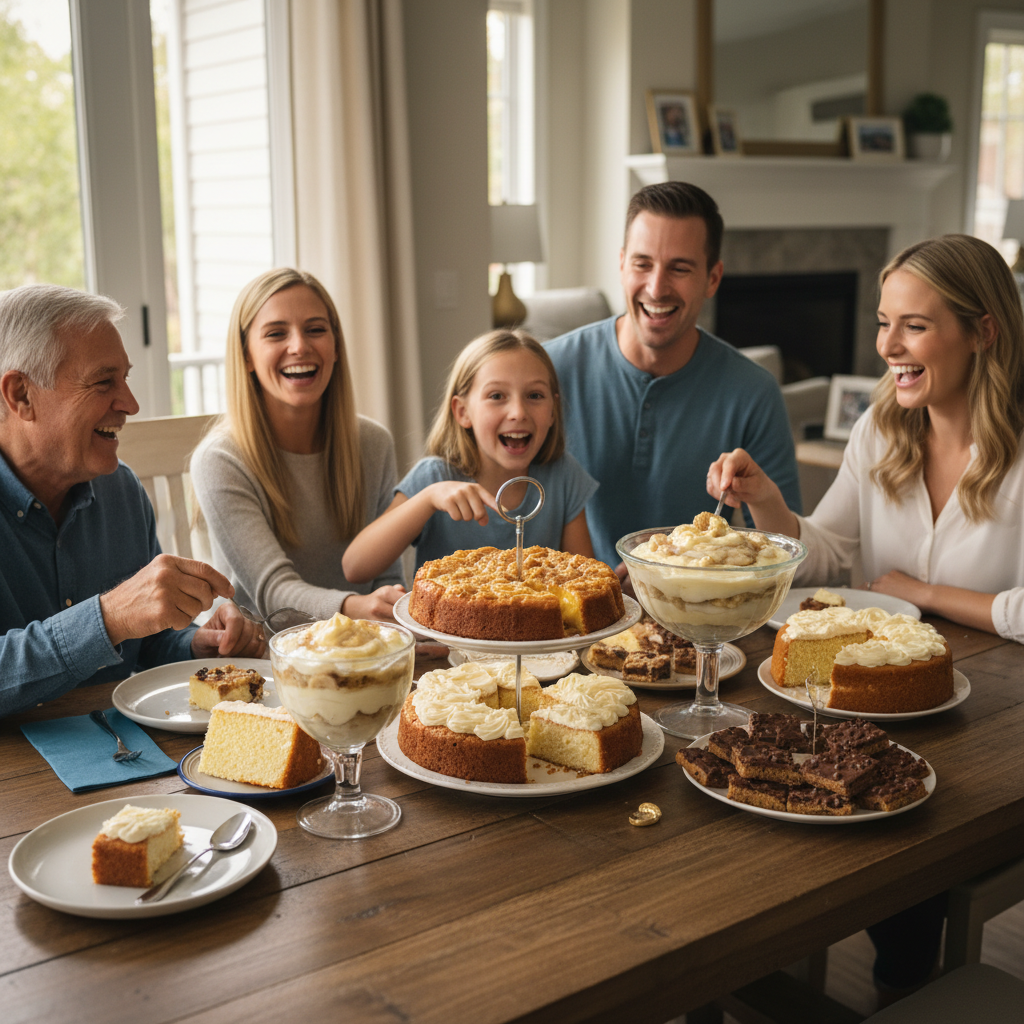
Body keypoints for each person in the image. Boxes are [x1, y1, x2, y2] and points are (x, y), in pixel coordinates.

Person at [707, 234, 1023, 643]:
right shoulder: (878, 429)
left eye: (914, 326)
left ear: (983, 332)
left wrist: (930, 596)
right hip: (878, 678)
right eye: (883, 323)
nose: (887, 346)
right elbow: (823, 559)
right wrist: (764, 498)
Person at [0, 284, 263, 718]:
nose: (131, 403)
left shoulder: (119, 490)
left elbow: (143, 645)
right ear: (22, 396)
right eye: (104, 382)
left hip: (124, 751)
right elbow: (114, 624)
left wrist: (196, 643)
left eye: (126, 378)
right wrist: (109, 617)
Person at [545, 180, 801, 573]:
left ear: (712, 279)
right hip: (567, 614)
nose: (656, 286)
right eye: (642, 263)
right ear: (621, 264)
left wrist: (761, 497)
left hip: (697, 616)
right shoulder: (548, 373)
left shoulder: (755, 391)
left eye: (679, 268)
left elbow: (784, 555)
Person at [190, 268, 406, 624]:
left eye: (316, 330)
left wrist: (395, 614)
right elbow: (273, 591)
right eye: (276, 333)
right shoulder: (220, 460)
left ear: (336, 346)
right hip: (261, 660)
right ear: (246, 355)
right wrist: (355, 608)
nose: (299, 346)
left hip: (359, 649)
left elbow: (386, 577)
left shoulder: (373, 444)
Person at [342, 329, 596, 581]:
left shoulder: (564, 476)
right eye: (496, 396)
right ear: (462, 411)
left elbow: (584, 580)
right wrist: (428, 499)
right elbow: (355, 567)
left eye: (534, 396)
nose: (518, 412)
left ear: (553, 410)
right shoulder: (433, 478)